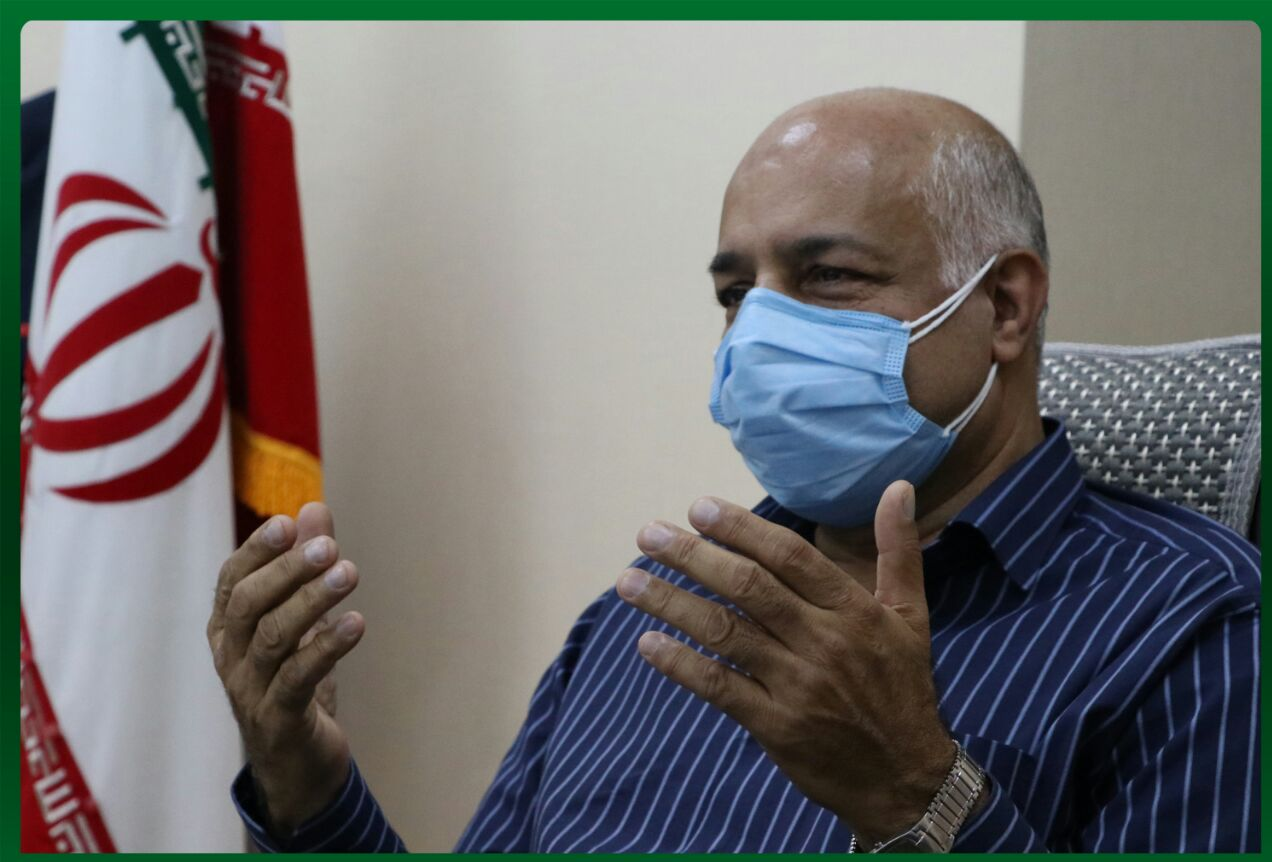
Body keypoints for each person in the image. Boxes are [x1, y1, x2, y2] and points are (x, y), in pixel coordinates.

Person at [207, 88, 1260, 853]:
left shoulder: (1194, 624)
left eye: (827, 276)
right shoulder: (644, 622)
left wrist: (918, 796)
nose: (758, 334)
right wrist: (306, 789)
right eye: (736, 294)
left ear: (1006, 306)